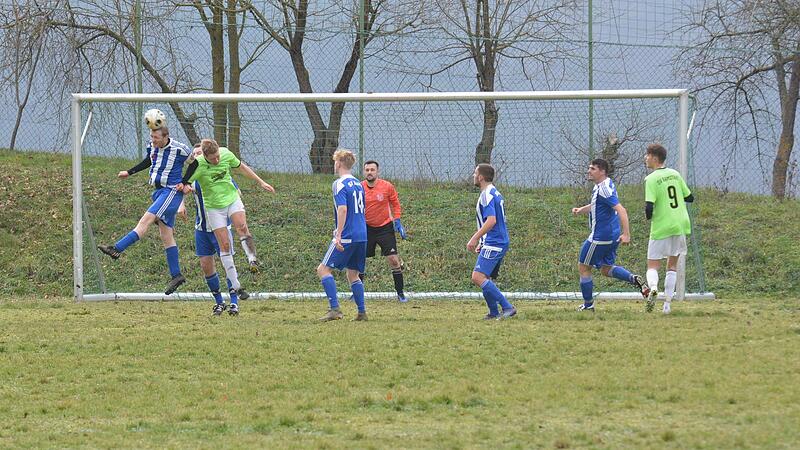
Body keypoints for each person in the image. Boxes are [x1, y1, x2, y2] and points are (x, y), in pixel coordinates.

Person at [181, 138, 276, 313]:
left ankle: (252, 259)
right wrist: (184, 191)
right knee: (224, 246)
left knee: (241, 226)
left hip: (231, 200)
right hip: (213, 209)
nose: (216, 160)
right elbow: (184, 183)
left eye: (217, 156)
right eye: (212, 159)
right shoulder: (198, 165)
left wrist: (260, 182)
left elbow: (242, 168)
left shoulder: (226, 154)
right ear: (204, 157)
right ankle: (237, 286)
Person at [97, 126, 193, 295]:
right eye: (152, 136)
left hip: (170, 191)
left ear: (166, 137)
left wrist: (185, 182)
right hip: (159, 192)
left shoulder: (180, 149)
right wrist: (129, 172)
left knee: (145, 220)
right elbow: (148, 160)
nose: (153, 140)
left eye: (156, 137)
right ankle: (177, 275)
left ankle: (116, 249)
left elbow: (196, 163)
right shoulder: (153, 147)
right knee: (166, 236)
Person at [572, 158, 650, 311]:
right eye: (589, 168)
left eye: (592, 169)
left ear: (602, 171)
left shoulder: (603, 189)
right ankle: (634, 279)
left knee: (583, 267)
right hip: (612, 237)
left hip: (600, 237)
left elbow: (621, 210)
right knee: (606, 269)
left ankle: (588, 306)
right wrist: (582, 209)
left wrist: (626, 234)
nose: (589, 171)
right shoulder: (605, 185)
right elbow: (598, 205)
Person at [317, 149, 368, 322]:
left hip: (347, 234)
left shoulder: (339, 184)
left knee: (323, 269)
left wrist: (338, 234)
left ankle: (335, 310)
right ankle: (362, 312)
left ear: (338, 163)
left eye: (334, 162)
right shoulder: (359, 184)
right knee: (353, 274)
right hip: (362, 234)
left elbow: (343, 208)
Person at [643, 143, 694, 314]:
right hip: (680, 225)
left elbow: (649, 207)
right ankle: (667, 305)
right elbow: (690, 197)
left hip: (662, 226)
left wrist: (649, 218)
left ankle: (653, 288)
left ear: (655, 158)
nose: (645, 158)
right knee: (672, 265)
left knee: (653, 265)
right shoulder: (675, 174)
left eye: (647, 155)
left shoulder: (651, 179)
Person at [178, 179, 241, 316]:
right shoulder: (194, 177)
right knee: (206, 266)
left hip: (222, 228)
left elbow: (236, 193)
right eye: (196, 155)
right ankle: (219, 302)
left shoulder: (220, 173)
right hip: (202, 229)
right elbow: (182, 188)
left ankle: (234, 302)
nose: (197, 156)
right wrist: (181, 205)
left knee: (227, 263)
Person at [467, 164, 517, 320]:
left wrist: (475, 238)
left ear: (481, 177)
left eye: (475, 173)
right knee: (484, 277)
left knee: (477, 277)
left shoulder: (486, 194)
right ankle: (493, 312)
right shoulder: (494, 192)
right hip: (495, 240)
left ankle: (507, 307)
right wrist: (482, 241)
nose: (473, 176)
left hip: (495, 242)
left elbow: (491, 221)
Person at [361, 160, 408, 302]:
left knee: (394, 260)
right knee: (359, 261)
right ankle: (357, 292)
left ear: (377, 172)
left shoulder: (387, 186)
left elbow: (396, 204)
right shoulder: (359, 187)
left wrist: (397, 221)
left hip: (385, 228)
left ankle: (400, 293)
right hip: (366, 228)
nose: (370, 172)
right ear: (364, 172)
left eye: (372, 170)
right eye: (367, 170)